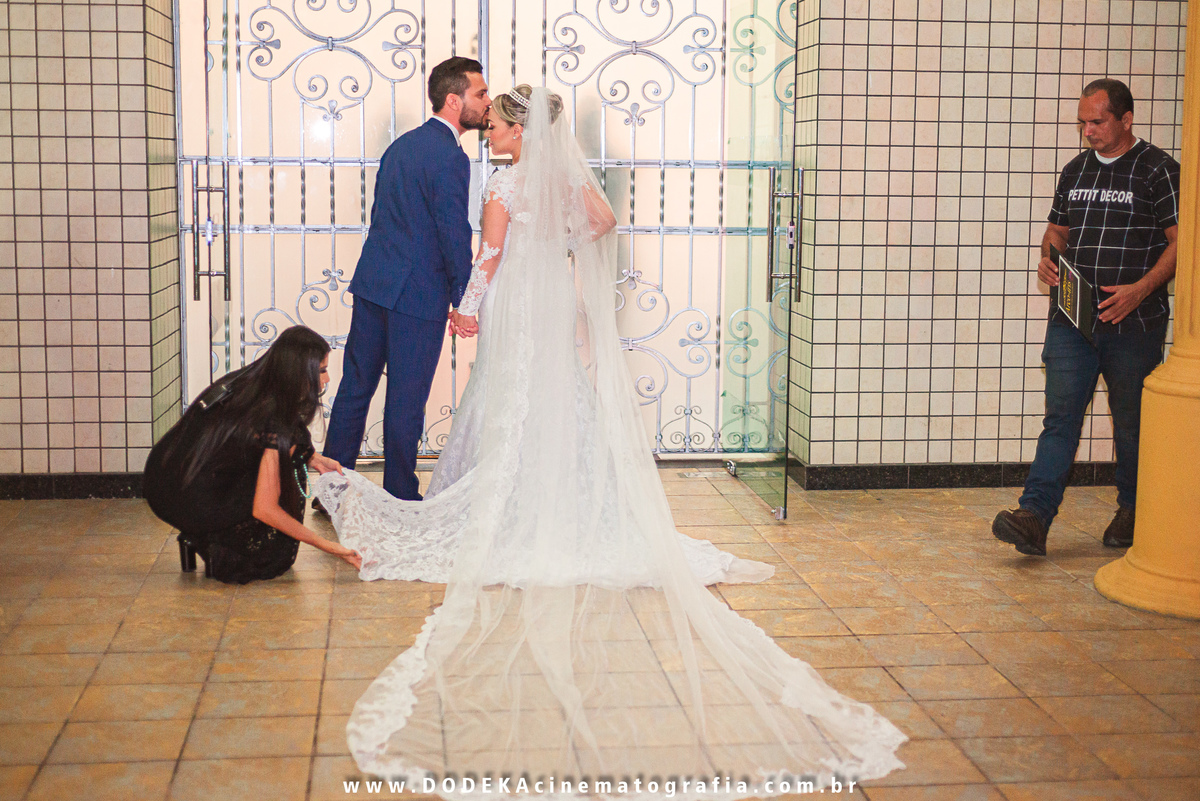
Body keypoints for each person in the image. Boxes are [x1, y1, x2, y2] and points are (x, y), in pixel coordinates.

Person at [317, 87, 906, 794]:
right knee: (554, 390)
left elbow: (490, 257)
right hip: (553, 295)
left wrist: (466, 310)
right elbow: (603, 220)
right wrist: (559, 250)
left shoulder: (506, 185)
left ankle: (506, 502)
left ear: (520, 130)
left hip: (515, 301)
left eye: (498, 125)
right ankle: (570, 500)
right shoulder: (562, 181)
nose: (491, 134)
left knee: (508, 393)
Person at [993, 78, 1180, 557]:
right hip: (1072, 320)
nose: (1088, 131)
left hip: (1134, 324)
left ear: (1126, 119)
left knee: (1132, 423)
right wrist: (1048, 256)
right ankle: (1034, 518)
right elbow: (1057, 230)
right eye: (1083, 123)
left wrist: (1141, 290)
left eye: (1097, 122)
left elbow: (1182, 243)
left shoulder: (1159, 170)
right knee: (1060, 419)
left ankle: (1134, 511)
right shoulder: (1076, 170)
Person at [321, 57, 491, 500]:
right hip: (417, 294)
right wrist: (464, 299)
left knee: (355, 387)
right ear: (453, 100)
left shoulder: (401, 146)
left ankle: (330, 491)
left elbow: (385, 216)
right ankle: (400, 493)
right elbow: (453, 232)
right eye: (480, 93)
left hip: (374, 283)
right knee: (406, 397)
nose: (487, 103)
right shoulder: (451, 156)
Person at [144, 326, 362, 584]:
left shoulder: (251, 381)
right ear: (299, 373)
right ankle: (208, 536)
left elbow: (246, 441)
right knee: (272, 551)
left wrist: (314, 458)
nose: (327, 379)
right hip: (188, 497)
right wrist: (327, 545)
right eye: (322, 371)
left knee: (290, 450)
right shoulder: (274, 418)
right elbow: (264, 508)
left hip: (163, 479)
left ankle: (202, 532)